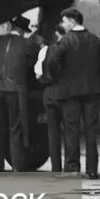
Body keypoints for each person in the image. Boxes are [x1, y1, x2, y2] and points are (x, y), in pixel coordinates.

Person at [0, 15, 39, 172]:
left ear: (11, 27)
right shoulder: (27, 44)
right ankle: (17, 165)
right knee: (15, 129)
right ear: (23, 31)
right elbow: (36, 55)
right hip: (14, 91)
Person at [49, 7, 100, 179]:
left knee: (71, 130)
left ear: (72, 21)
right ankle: (92, 170)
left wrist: (59, 77)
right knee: (91, 130)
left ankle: (72, 168)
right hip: (92, 91)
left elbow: (52, 61)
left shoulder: (65, 40)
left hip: (70, 92)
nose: (62, 24)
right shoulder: (95, 40)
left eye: (64, 21)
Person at [35, 24, 66, 173]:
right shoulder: (70, 50)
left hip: (49, 92)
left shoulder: (45, 50)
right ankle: (70, 165)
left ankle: (56, 167)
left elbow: (38, 73)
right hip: (66, 93)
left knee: (53, 134)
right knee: (70, 132)